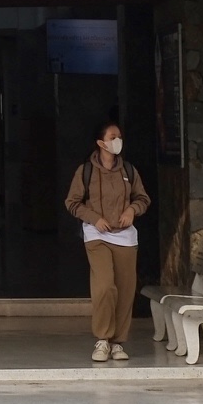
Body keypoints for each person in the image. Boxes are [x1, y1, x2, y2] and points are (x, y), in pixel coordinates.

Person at [62, 121, 150, 362]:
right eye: (112, 137)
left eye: (119, 136)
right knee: (104, 286)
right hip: (96, 236)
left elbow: (142, 198)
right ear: (101, 143)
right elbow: (72, 202)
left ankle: (118, 342)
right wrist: (94, 218)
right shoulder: (85, 171)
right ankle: (102, 339)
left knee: (125, 290)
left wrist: (132, 210)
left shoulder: (129, 171)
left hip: (125, 237)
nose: (117, 141)